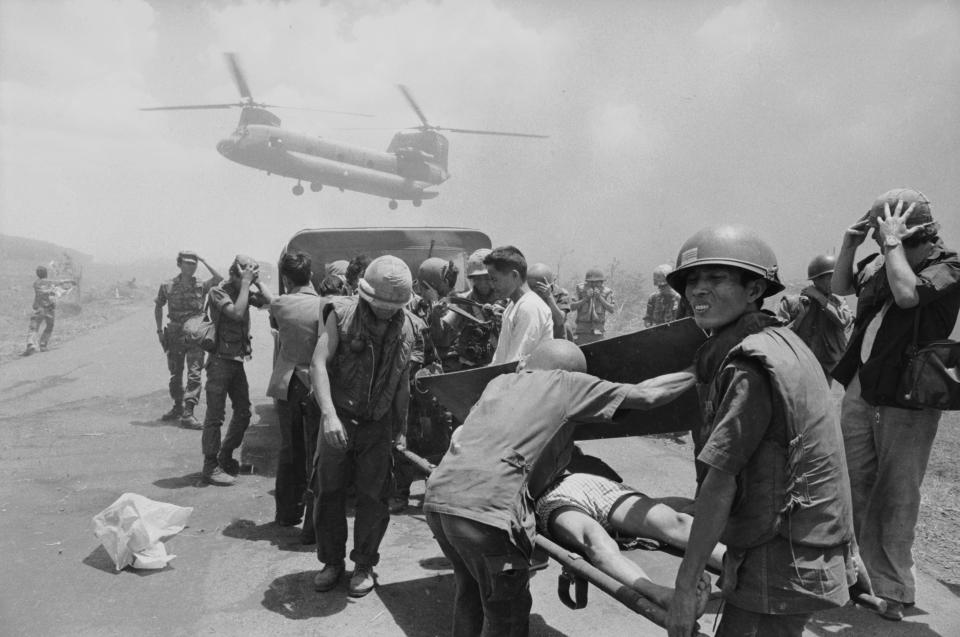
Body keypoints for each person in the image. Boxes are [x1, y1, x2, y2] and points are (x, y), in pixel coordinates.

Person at [423, 339, 699, 636]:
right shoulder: (567, 383)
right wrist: (698, 368)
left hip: (439, 499)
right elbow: (648, 394)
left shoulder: (500, 382)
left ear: (527, 362)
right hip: (486, 513)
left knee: (469, 592)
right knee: (507, 616)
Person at [664, 225, 855, 637]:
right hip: (803, 544)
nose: (699, 290)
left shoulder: (749, 366)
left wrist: (684, 585)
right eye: (693, 280)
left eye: (716, 279)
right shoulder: (781, 341)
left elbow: (721, 482)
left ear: (754, 290)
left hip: (780, 555)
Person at [830, 188, 960, 620]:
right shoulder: (883, 260)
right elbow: (841, 285)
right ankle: (855, 575)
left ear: (916, 235)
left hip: (908, 398)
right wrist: (851, 243)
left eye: (898, 239)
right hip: (864, 388)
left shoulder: (949, 266)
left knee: (897, 492)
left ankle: (895, 589)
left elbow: (908, 295)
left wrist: (889, 244)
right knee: (853, 481)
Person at [309, 255, 418, 598]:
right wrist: (328, 414)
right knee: (328, 492)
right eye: (380, 304)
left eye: (393, 306)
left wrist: (400, 429)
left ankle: (364, 564)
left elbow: (402, 384)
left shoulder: (410, 327)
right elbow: (318, 363)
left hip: (377, 424)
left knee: (374, 497)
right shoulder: (339, 314)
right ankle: (331, 562)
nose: (386, 311)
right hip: (338, 418)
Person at [536, 470, 723, 609]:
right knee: (596, 541)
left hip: (582, 480)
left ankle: (739, 566)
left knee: (679, 522)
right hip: (547, 495)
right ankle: (662, 596)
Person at [201, 255, 271, 486]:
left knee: (243, 412)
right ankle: (210, 466)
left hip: (236, 361)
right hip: (220, 361)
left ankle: (225, 455)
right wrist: (244, 285)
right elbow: (237, 313)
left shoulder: (242, 290)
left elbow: (267, 302)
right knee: (215, 416)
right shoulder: (218, 292)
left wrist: (256, 282)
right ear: (235, 273)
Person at [267, 251, 323, 539]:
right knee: (317, 452)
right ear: (311, 275)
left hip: (288, 385)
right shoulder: (326, 306)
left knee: (290, 450)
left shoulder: (280, 304)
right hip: (317, 384)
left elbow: (275, 324)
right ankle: (313, 523)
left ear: (286, 278)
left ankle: (287, 513)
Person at [154, 251, 223, 427]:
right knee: (175, 373)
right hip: (175, 334)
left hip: (195, 335)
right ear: (179, 264)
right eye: (187, 263)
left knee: (194, 373)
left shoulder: (201, 285)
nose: (191, 266)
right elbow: (158, 306)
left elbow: (219, 278)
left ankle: (188, 413)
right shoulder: (167, 285)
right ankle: (177, 406)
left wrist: (205, 259)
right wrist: (159, 330)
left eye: (194, 264)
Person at [776, 254, 853, 383]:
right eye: (831, 278)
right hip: (800, 361)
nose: (836, 282)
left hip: (828, 363)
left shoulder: (838, 301)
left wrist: (820, 298)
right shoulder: (792, 302)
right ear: (816, 280)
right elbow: (779, 336)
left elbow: (844, 321)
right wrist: (800, 316)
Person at [434, 248, 501, 371]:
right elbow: (443, 338)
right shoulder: (464, 302)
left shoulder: (506, 301)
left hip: (501, 363)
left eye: (487, 278)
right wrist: (436, 317)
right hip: (473, 367)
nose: (482, 283)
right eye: (477, 278)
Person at [484, 246, 553, 365]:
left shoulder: (529, 307)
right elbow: (500, 358)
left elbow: (515, 362)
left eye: (494, 279)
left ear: (514, 275)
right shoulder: (512, 306)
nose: (491, 285)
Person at [527, 262, 574, 340]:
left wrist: (549, 297)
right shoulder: (527, 295)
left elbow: (560, 320)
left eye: (539, 288)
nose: (534, 291)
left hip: (556, 341)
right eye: (531, 287)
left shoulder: (560, 294)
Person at [570, 267, 615, 344]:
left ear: (602, 282)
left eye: (597, 282)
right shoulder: (580, 289)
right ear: (587, 282)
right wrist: (585, 298)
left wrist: (600, 297)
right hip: (582, 332)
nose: (594, 285)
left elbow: (612, 309)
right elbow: (572, 307)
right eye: (591, 282)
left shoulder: (607, 291)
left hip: (598, 332)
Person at [24, 266, 60, 355]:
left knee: (34, 327)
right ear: (46, 273)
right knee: (49, 326)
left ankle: (31, 344)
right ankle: (43, 345)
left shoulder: (36, 283)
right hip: (50, 309)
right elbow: (54, 294)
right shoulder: (51, 283)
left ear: (37, 274)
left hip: (39, 308)